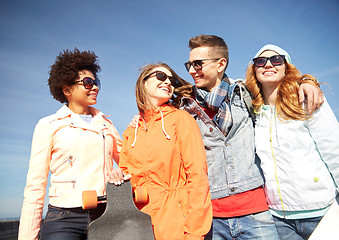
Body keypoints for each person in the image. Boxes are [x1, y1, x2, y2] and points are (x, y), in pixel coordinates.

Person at [179, 34, 323, 240]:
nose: (192, 70)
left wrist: (307, 81)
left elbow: (274, 80)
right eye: (189, 64)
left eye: (198, 64)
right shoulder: (186, 107)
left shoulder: (246, 94)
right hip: (212, 218)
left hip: (257, 215)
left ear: (221, 64)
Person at [18, 49, 122, 240]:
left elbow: (130, 160)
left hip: (105, 215)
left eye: (96, 82)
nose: (95, 87)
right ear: (66, 90)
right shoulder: (48, 125)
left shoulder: (107, 124)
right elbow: (35, 186)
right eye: (88, 83)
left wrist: (121, 172)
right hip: (63, 219)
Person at [107, 63, 213, 240]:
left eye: (171, 80)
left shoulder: (181, 119)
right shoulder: (131, 132)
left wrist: (194, 231)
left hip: (177, 221)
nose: (168, 82)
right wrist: (118, 177)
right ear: (143, 83)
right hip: (139, 225)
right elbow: (126, 174)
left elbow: (197, 176)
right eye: (161, 76)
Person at [245, 44, 339, 240]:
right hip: (279, 219)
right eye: (260, 61)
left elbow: (334, 149)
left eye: (276, 60)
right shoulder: (252, 111)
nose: (268, 64)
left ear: (286, 67)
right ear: (254, 69)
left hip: (321, 212)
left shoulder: (307, 100)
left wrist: (306, 81)